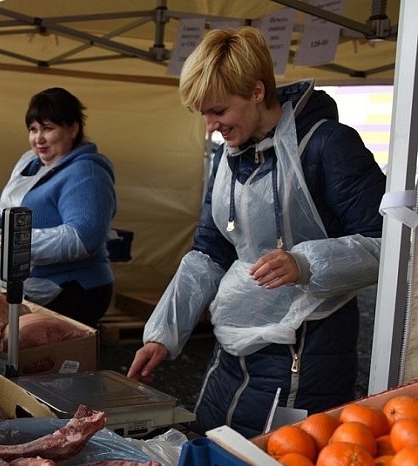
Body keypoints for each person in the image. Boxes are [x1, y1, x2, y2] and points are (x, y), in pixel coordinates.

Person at [127, 27, 385, 438]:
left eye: (218, 111)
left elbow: (385, 242)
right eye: (203, 115)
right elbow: (209, 252)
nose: (212, 127)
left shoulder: (329, 147)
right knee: (213, 442)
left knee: (281, 463)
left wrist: (305, 263)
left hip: (308, 346)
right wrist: (163, 334)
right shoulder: (230, 157)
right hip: (232, 344)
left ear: (258, 91)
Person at [0, 87, 117, 328]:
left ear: (73, 129)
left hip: (72, 291)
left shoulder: (86, 173)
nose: (38, 139)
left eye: (48, 128)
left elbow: (83, 237)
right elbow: (8, 204)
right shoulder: (30, 161)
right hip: (31, 288)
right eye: (33, 129)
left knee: (55, 358)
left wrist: (16, 242)